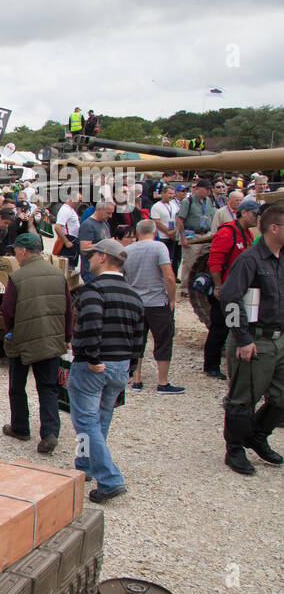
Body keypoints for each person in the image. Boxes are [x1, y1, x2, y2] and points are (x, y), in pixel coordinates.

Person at [69, 239, 146, 502]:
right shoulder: (133, 294)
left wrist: (91, 357)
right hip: (120, 365)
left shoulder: (94, 290)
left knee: (85, 420)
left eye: (92, 256)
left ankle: (108, 478)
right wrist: (131, 366)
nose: (88, 260)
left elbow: (91, 324)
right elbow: (139, 337)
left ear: (103, 257)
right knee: (101, 419)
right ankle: (85, 466)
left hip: (94, 365)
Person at [218, 203, 284, 474]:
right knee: (243, 398)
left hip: (280, 338)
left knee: (281, 397)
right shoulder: (251, 259)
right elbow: (230, 299)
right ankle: (234, 448)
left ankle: (256, 435)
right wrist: (243, 339)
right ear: (274, 228)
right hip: (256, 339)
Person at [2, 232, 73, 453]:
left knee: (17, 387)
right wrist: (67, 338)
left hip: (22, 340)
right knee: (48, 388)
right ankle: (50, 433)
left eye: (15, 251)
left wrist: (10, 331)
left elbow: (7, 311)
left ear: (23, 251)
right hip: (51, 341)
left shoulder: (17, 277)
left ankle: (20, 427)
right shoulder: (58, 274)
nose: (15, 255)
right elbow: (69, 310)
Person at [124, 220, 183, 393]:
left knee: (137, 341)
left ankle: (137, 379)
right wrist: (172, 299)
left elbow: (124, 276)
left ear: (137, 231)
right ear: (155, 230)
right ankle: (162, 382)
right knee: (163, 340)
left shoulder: (127, 251)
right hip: (157, 301)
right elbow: (169, 276)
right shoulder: (159, 248)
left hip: (136, 302)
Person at [205, 199, 261, 379]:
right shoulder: (228, 232)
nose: (257, 218)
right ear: (244, 212)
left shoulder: (247, 234)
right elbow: (215, 261)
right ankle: (211, 365)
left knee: (234, 324)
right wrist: (219, 286)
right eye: (254, 214)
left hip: (240, 289)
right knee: (221, 326)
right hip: (227, 290)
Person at [150, 184, 183, 278]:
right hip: (162, 236)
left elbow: (178, 219)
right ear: (163, 194)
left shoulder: (174, 205)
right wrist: (168, 231)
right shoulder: (156, 206)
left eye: (173, 194)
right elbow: (157, 221)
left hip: (173, 235)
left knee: (172, 258)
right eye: (169, 193)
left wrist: (174, 231)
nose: (171, 196)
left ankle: (172, 275)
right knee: (161, 258)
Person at [78, 200, 114, 283]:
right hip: (91, 272)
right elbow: (84, 249)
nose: (110, 216)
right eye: (108, 213)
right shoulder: (88, 225)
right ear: (99, 209)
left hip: (103, 271)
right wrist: (106, 244)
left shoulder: (105, 224)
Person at [54, 191, 82, 272]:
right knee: (67, 268)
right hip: (69, 240)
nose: (79, 203)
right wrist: (66, 242)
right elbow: (57, 227)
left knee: (71, 266)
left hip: (72, 240)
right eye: (79, 200)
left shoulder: (70, 209)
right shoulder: (65, 210)